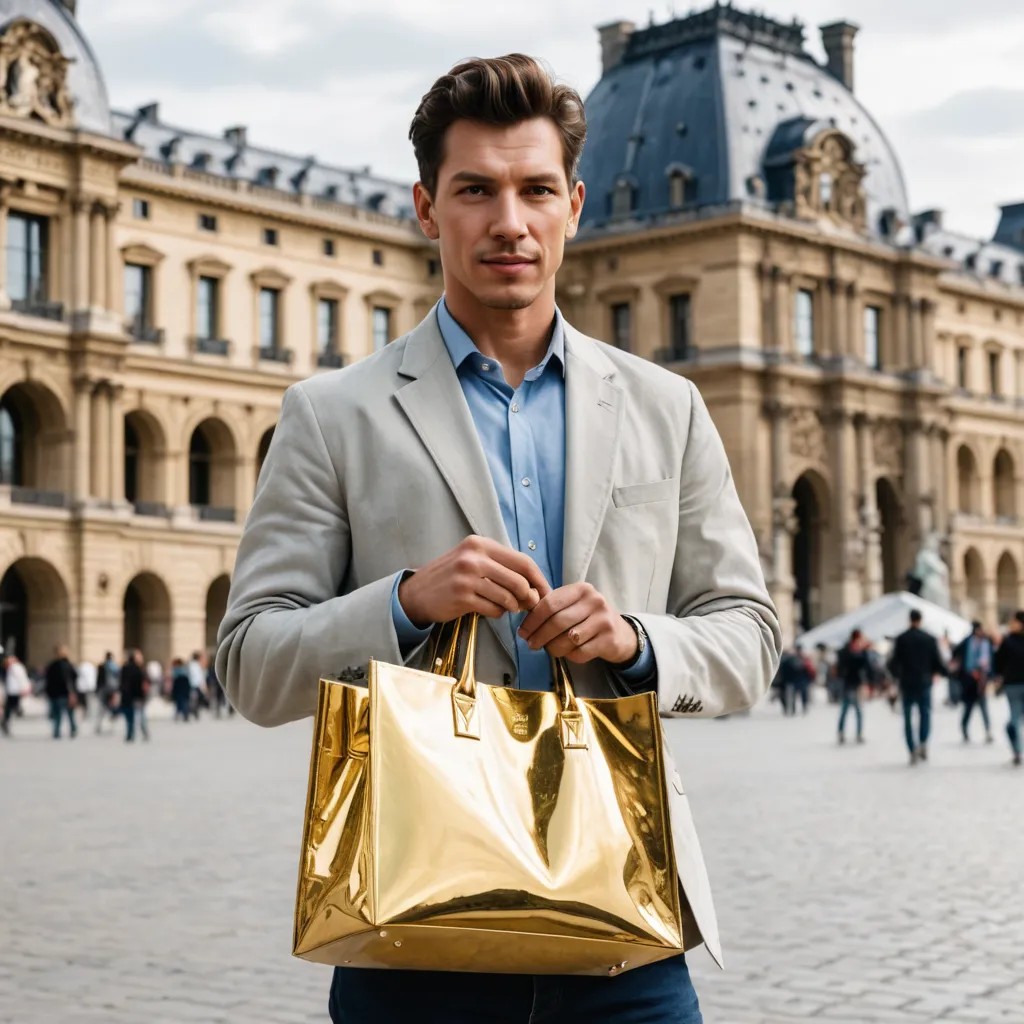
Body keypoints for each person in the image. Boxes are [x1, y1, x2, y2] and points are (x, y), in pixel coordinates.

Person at [216, 53, 781, 1024]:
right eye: (474, 190)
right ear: (428, 209)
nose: (508, 222)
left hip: (625, 926)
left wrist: (637, 639)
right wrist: (401, 603)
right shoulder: (331, 415)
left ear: (575, 204)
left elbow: (749, 640)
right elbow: (249, 664)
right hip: (410, 927)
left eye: (534, 190)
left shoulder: (667, 408)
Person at [888, 610, 946, 765]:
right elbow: (938, 662)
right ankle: (923, 742)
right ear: (920, 620)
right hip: (924, 682)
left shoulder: (901, 638)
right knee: (925, 713)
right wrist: (940, 672)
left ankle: (911, 748)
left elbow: (892, 663)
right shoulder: (929, 639)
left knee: (907, 717)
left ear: (910, 620)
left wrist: (897, 676)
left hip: (907, 683)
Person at [951, 621, 994, 743]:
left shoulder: (985, 642)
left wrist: (990, 674)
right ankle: (964, 728)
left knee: (983, 707)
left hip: (981, 680)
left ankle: (988, 731)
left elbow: (990, 659)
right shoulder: (967, 642)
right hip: (969, 679)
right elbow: (955, 652)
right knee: (968, 707)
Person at [993, 610, 1024, 767]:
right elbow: (998, 663)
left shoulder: (1008, 641)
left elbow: (997, 662)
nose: (1011, 624)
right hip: (1013, 686)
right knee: (1014, 721)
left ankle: (1017, 750)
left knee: (1014, 721)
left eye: (1014, 621)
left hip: (1013, 685)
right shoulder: (1008, 641)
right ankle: (1018, 750)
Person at [836, 629, 869, 744]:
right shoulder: (848, 651)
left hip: (855, 683)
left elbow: (865, 665)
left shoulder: (858, 651)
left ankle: (855, 733)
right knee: (850, 710)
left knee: (855, 710)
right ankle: (844, 733)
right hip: (849, 683)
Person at [44, 644, 78, 740]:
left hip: (55, 693)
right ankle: (72, 729)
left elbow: (48, 680)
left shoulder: (52, 665)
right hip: (65, 693)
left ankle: (57, 731)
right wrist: (72, 692)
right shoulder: (68, 665)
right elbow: (72, 679)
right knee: (69, 713)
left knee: (57, 714)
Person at [120, 649, 149, 742]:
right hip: (138, 696)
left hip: (127, 696)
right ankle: (144, 732)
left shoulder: (124, 668)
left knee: (129, 717)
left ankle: (130, 734)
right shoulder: (139, 669)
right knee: (140, 715)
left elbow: (121, 683)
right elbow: (144, 683)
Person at [1, 653, 30, 736]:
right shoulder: (7, 668)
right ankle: (6, 722)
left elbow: (22, 678)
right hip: (10, 691)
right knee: (9, 708)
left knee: (10, 707)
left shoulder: (16, 667)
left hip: (15, 691)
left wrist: (24, 688)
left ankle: (7, 721)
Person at [187, 651, 207, 718]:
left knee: (193, 699)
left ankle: (194, 711)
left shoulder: (190, 665)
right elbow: (200, 676)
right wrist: (203, 685)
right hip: (196, 685)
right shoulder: (197, 665)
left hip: (191, 684)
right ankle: (194, 711)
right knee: (196, 699)